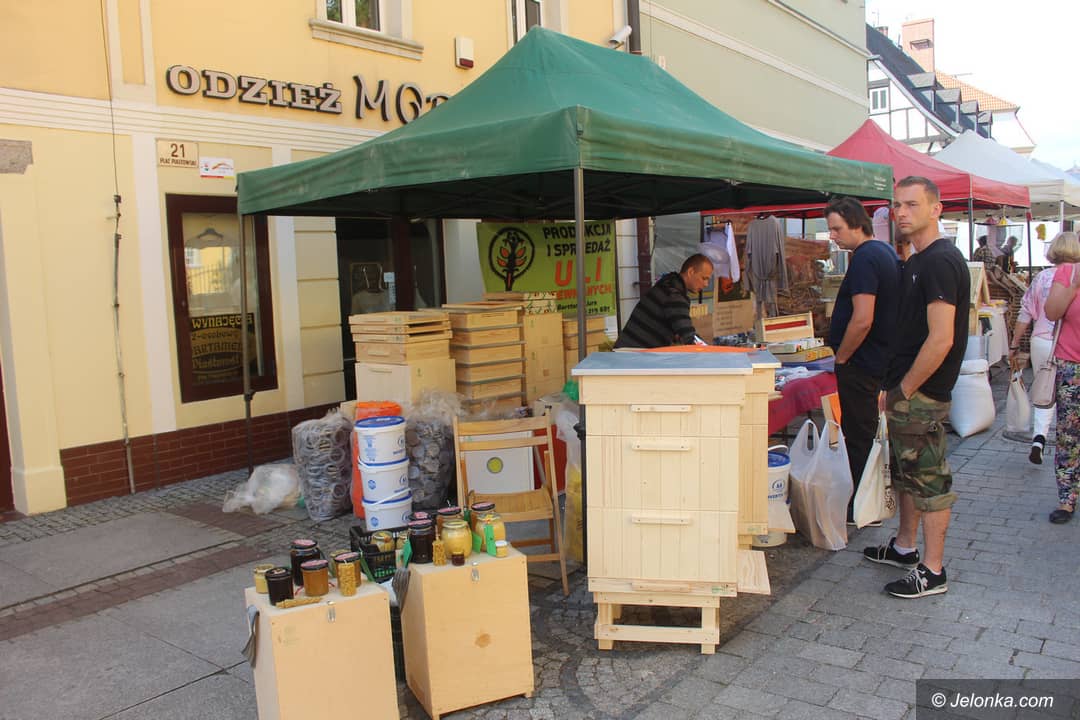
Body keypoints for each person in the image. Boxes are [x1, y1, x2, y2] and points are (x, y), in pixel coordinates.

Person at [862, 176, 969, 599]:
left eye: (911, 204)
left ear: (936, 209)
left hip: (922, 393)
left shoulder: (940, 260)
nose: (901, 212)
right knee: (907, 475)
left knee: (930, 481)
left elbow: (941, 339)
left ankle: (933, 570)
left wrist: (905, 388)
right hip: (907, 389)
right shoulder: (919, 259)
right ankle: (905, 548)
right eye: (897, 205)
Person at [824, 197, 901, 522]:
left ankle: (861, 506)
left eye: (837, 229)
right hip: (877, 359)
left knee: (859, 436)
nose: (833, 236)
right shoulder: (884, 252)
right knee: (867, 433)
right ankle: (871, 500)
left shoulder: (866, 258)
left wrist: (842, 357)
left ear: (857, 224)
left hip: (861, 362)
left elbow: (863, 318)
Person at [1009, 232, 1080, 464]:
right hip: (1067, 343)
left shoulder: (1042, 277)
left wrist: (1014, 343)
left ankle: (1039, 438)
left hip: (1042, 341)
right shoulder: (1075, 276)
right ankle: (1065, 438)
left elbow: (1026, 313)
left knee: (1045, 388)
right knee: (1068, 397)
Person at [1041, 246, 1080, 524]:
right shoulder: (1069, 272)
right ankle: (1067, 500)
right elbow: (1052, 312)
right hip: (1072, 366)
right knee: (1069, 436)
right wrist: (1074, 285)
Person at [614, 254, 713, 348]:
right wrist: (711, 353)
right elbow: (689, 337)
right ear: (691, 272)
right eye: (704, 278)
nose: (706, 284)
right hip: (634, 354)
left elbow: (676, 330)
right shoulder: (674, 296)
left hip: (627, 350)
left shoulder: (666, 285)